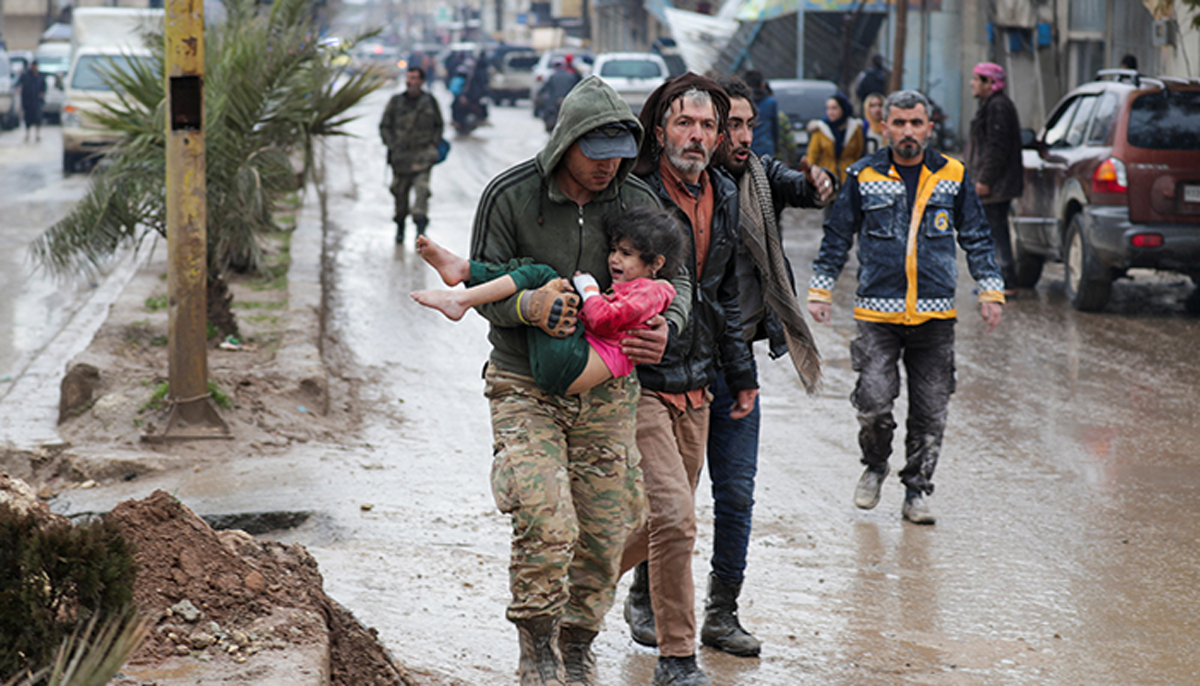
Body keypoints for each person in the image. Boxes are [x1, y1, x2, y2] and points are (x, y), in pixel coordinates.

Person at [468, 75, 688, 686]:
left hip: (607, 393)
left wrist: (668, 323)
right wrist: (528, 308)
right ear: (566, 142)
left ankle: (578, 640)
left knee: (605, 530)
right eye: (596, 155)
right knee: (544, 516)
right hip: (523, 383)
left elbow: (680, 277)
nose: (607, 168)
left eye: (618, 155)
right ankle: (536, 647)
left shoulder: (635, 195)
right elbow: (481, 289)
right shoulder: (510, 196)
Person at [665, 75, 834, 659]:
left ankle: (722, 612)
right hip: (675, 368)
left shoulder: (754, 181)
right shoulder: (665, 191)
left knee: (736, 494)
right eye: (723, 124)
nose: (736, 136)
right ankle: (649, 598)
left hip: (734, 364)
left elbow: (796, 185)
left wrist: (817, 183)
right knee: (670, 500)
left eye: (743, 125)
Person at [807, 90, 1005, 526]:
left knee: (931, 410)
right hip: (878, 316)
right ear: (885, 127)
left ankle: (916, 491)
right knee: (875, 402)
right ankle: (875, 464)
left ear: (929, 126)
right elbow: (837, 236)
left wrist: (990, 290)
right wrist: (820, 291)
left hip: (935, 318)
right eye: (899, 123)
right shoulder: (863, 175)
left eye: (916, 123)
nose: (908, 132)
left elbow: (976, 236)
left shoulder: (952, 174)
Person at [621, 72, 758, 686]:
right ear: (661, 130)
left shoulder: (725, 192)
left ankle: (578, 588)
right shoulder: (636, 194)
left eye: (709, 125)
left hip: (699, 387)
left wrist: (741, 372)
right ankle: (677, 657)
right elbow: (615, 280)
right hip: (642, 380)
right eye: (685, 123)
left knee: (656, 525)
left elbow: (726, 295)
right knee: (675, 519)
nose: (698, 136)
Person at [410, 206, 683, 396]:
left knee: (541, 274)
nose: (614, 259)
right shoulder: (636, 289)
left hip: (569, 367)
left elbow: (602, 321)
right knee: (543, 279)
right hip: (564, 367)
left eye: (626, 253)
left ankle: (464, 283)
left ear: (656, 263)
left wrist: (588, 291)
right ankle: (464, 277)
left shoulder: (654, 291)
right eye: (613, 250)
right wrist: (571, 295)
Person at [967, 62, 1024, 296]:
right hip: (994, 183)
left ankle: (1004, 281)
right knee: (992, 230)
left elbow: (996, 148)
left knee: (996, 230)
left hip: (997, 185)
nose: (972, 83)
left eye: (976, 79)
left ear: (990, 83)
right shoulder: (991, 105)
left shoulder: (998, 107)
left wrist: (985, 180)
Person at [379, 66, 443, 245]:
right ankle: (400, 229)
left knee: (422, 192)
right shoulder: (396, 102)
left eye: (414, 78)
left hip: (422, 157)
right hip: (401, 159)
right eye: (408, 78)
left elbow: (439, 125)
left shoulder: (429, 101)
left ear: (422, 81)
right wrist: (392, 145)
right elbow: (385, 126)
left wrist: (433, 143)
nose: (410, 82)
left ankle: (420, 231)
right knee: (400, 196)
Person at [807, 92, 865, 185]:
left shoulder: (854, 128)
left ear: (843, 109)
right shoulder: (821, 129)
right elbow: (812, 156)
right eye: (828, 108)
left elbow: (858, 153)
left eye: (834, 108)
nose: (830, 112)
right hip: (826, 177)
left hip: (849, 177)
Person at [539, 57, 581, 132]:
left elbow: (543, 89)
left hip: (559, 102)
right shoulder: (570, 76)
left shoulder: (552, 77)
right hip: (565, 102)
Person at [743, 70, 778, 158]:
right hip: (765, 150)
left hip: (747, 149)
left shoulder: (743, 103)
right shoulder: (771, 102)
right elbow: (775, 129)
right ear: (762, 85)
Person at [16, 59, 46, 143]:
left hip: (37, 101)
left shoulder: (40, 75)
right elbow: (19, 83)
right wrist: (19, 88)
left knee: (38, 118)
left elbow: (44, 86)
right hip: (27, 100)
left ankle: (37, 134)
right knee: (28, 118)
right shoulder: (25, 75)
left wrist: (42, 93)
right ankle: (27, 134)